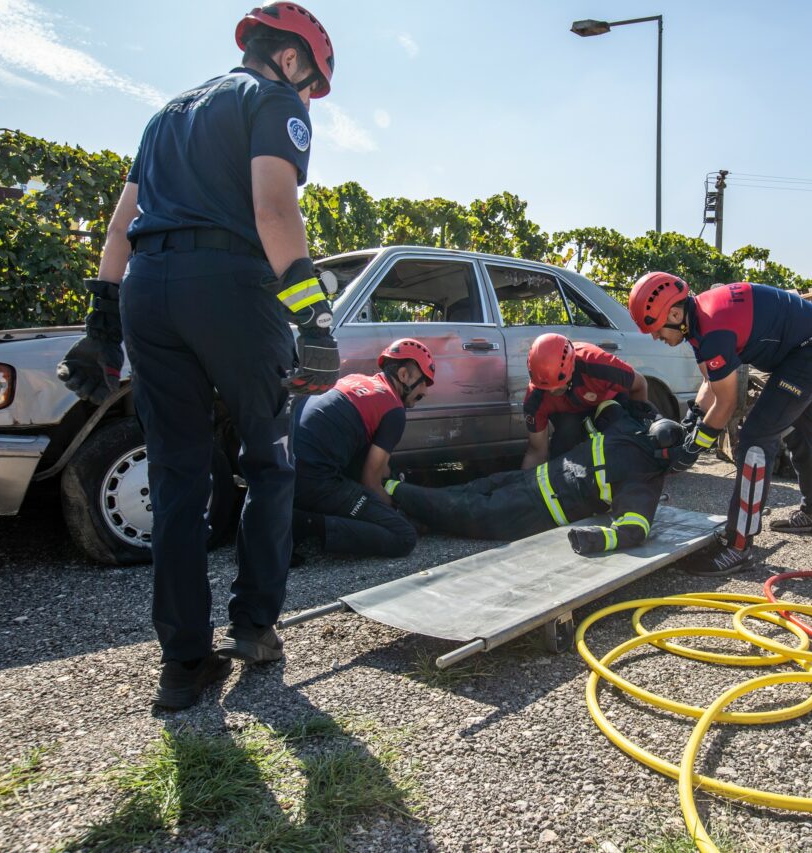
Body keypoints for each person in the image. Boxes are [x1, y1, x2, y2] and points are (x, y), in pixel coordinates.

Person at [56, 3, 340, 710]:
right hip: (231, 289)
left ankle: (183, 666)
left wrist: (103, 322)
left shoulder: (165, 116)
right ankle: (255, 627)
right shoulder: (272, 100)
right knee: (270, 462)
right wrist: (315, 318)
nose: (308, 100)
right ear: (293, 60)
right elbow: (274, 211)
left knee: (179, 477)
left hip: (148, 291)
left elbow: (123, 225)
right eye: (312, 85)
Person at [627, 272, 812, 575]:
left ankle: (738, 546)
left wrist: (694, 448)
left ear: (675, 313)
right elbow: (711, 381)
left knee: (756, 438)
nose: (656, 337)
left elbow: (727, 403)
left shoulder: (710, 328)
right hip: (803, 349)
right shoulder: (696, 321)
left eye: (655, 329)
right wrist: (693, 417)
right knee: (797, 427)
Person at [392, 402, 682, 554]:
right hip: (538, 506)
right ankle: (394, 492)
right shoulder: (644, 479)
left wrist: (645, 410)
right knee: (466, 510)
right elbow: (634, 530)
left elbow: (608, 405)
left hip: (533, 480)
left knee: (466, 495)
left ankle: (400, 501)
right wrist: (593, 540)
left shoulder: (625, 427)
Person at [290, 339, 435, 558]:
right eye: (425, 381)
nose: (426, 390)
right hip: (314, 483)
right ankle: (301, 523)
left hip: (286, 474)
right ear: (404, 376)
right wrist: (393, 509)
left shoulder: (355, 380)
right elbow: (370, 481)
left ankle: (297, 513)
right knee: (403, 535)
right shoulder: (393, 409)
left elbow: (377, 466)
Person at [521, 332, 650, 469]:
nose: (552, 392)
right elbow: (537, 452)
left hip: (609, 407)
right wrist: (523, 488)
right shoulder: (535, 399)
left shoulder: (597, 363)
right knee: (564, 442)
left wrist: (639, 433)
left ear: (572, 368)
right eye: (547, 389)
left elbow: (640, 384)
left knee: (617, 425)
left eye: (558, 386)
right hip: (570, 418)